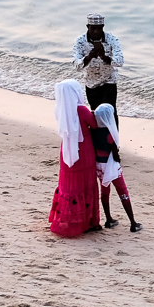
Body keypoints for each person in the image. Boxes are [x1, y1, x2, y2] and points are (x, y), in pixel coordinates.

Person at [48, 80, 101, 237]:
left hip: (67, 149)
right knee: (86, 183)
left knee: (68, 184)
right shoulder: (81, 110)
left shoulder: (60, 109)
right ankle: (88, 222)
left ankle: (65, 219)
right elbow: (95, 125)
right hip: (83, 150)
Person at [88, 104, 141, 232]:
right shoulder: (110, 133)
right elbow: (115, 155)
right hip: (111, 166)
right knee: (122, 191)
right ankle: (133, 223)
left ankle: (109, 219)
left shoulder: (92, 131)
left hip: (100, 166)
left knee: (104, 192)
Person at [73, 14, 123, 116]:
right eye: (93, 28)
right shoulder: (80, 41)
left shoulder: (112, 39)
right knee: (96, 114)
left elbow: (120, 61)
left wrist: (104, 57)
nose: (96, 31)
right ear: (87, 27)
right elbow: (76, 66)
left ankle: (113, 132)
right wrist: (89, 57)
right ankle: (100, 132)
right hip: (91, 83)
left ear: (103, 27)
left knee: (110, 112)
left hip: (109, 80)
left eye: (99, 28)